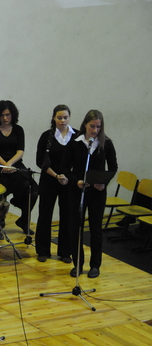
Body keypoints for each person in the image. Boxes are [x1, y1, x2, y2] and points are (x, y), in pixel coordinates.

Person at [61, 110, 117, 278]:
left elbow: (113, 167)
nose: (95, 130)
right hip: (78, 191)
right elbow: (64, 167)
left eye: (98, 127)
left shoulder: (106, 143)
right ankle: (78, 264)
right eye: (92, 126)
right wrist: (76, 181)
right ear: (85, 124)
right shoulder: (75, 143)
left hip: (97, 192)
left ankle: (95, 265)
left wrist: (104, 182)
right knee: (75, 228)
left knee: (95, 229)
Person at [0, 100, 38, 235]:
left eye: (7, 115)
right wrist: (5, 165)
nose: (5, 118)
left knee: (34, 190)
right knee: (20, 184)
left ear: (13, 115)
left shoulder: (18, 129)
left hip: (15, 164)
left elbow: (20, 151)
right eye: (2, 115)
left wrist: (10, 164)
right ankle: (15, 203)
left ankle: (23, 219)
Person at [35, 105, 76, 264]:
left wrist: (67, 176)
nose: (62, 121)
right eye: (59, 118)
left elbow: (79, 160)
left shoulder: (77, 135)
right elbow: (40, 161)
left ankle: (65, 251)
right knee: (45, 214)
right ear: (54, 118)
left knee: (67, 216)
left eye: (65, 117)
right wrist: (56, 176)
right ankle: (43, 250)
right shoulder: (46, 136)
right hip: (49, 180)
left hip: (68, 182)